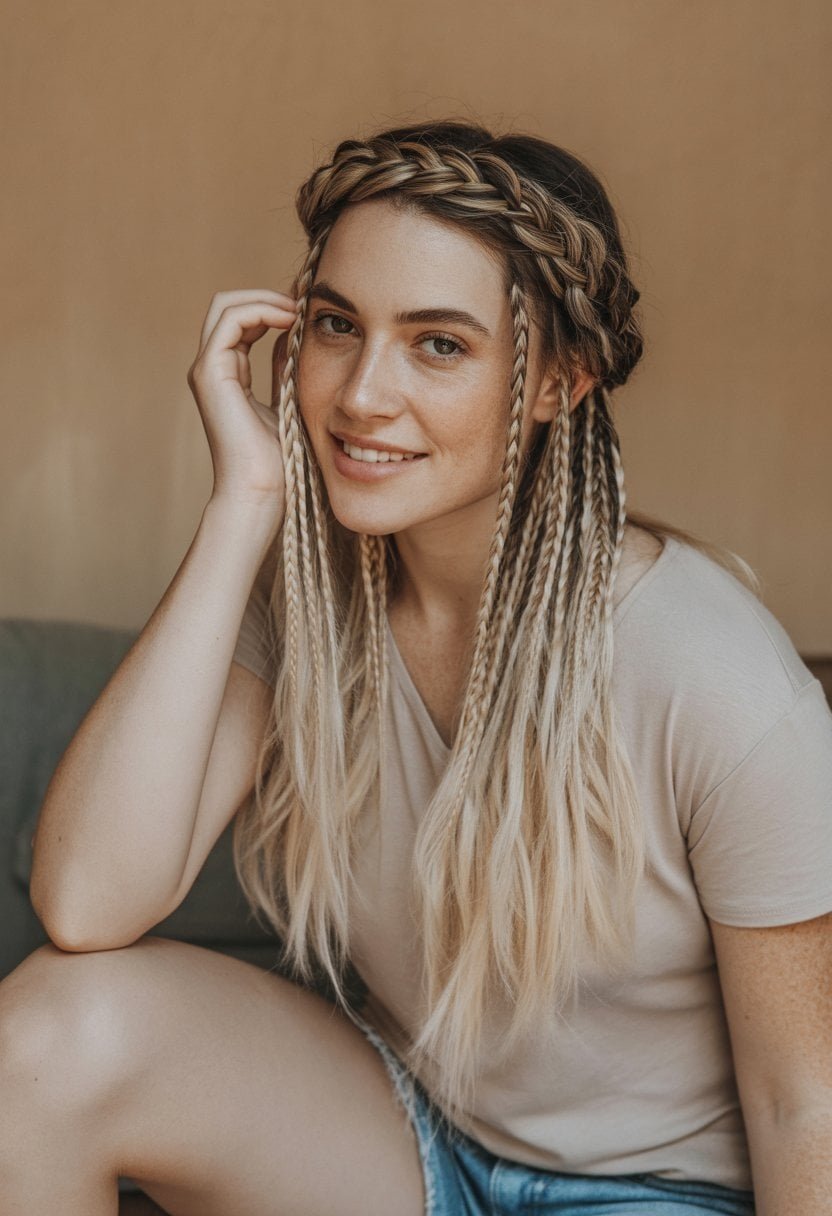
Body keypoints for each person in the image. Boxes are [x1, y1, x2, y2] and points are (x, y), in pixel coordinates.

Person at [2, 119, 831, 1216]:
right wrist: (243, 505)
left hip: (661, 1189)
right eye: (338, 326)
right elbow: (86, 900)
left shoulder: (712, 673)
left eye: (439, 343)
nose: (358, 396)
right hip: (407, 1134)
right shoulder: (305, 588)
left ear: (557, 384)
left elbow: (801, 1103)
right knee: (49, 1040)